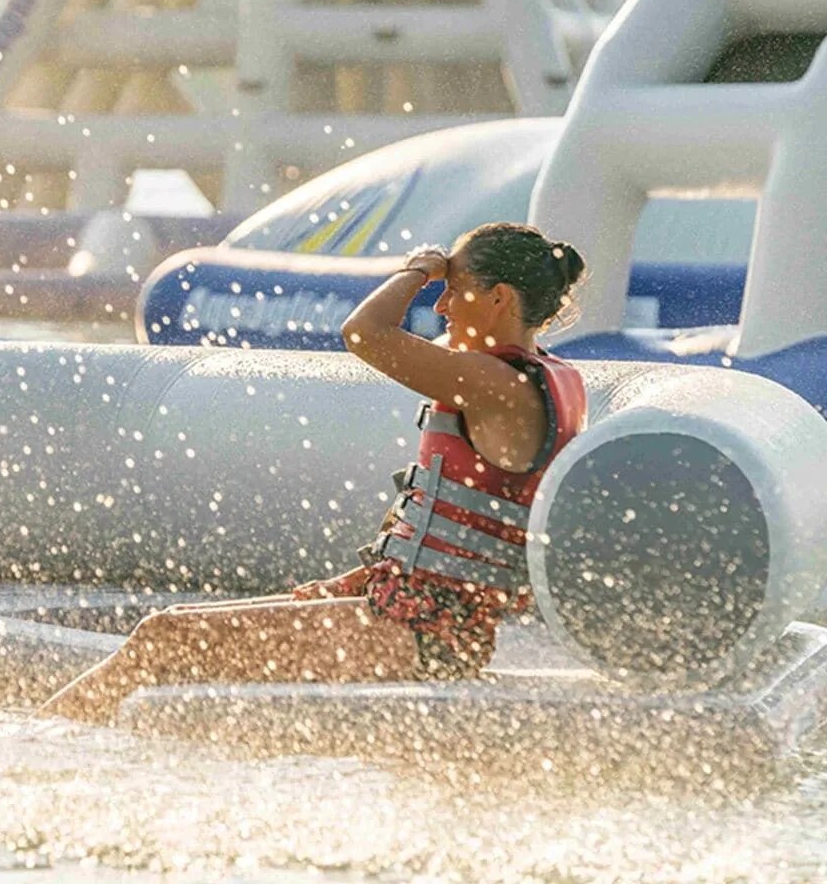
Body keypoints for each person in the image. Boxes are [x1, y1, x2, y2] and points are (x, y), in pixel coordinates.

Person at [41, 222, 587, 723]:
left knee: (165, 639)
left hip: (418, 633)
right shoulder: (548, 378)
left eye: (454, 288)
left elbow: (363, 333)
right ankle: (56, 735)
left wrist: (417, 270)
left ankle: (45, 748)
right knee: (176, 624)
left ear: (499, 299)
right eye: (439, 289)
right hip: (415, 617)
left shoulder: (496, 384)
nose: (441, 305)